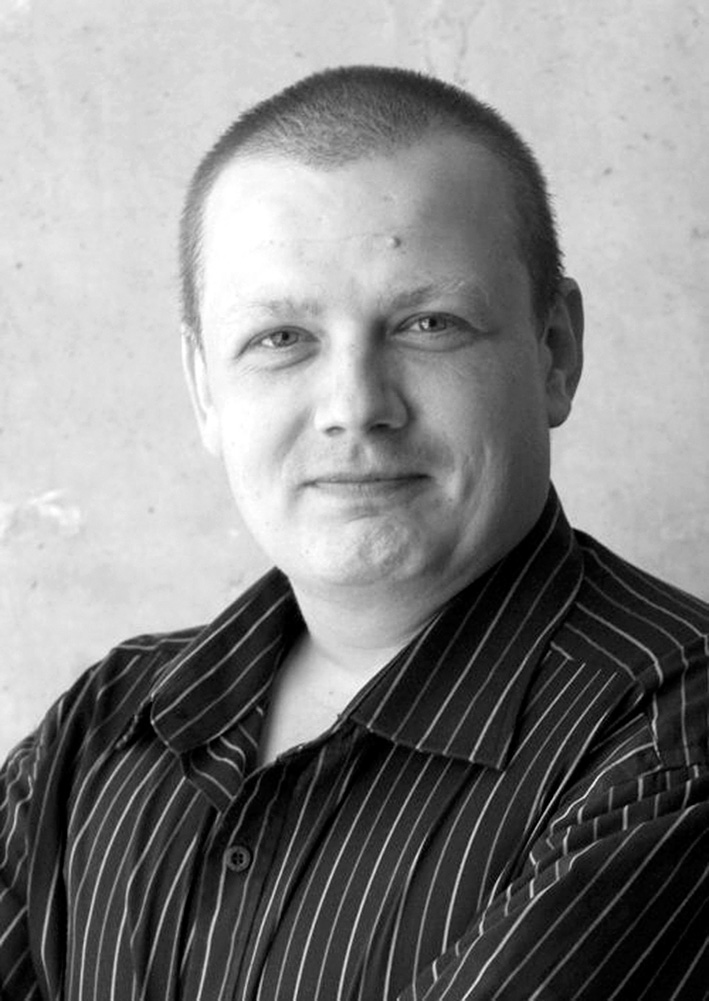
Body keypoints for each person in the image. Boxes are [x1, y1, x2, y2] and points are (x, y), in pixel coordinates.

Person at [1, 65, 708, 1001]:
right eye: (281, 338)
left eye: (428, 323)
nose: (355, 406)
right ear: (205, 387)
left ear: (555, 352)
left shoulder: (672, 741)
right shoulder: (99, 731)